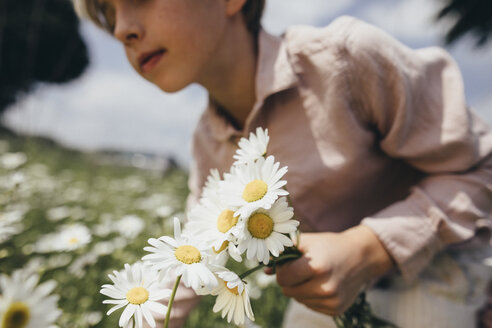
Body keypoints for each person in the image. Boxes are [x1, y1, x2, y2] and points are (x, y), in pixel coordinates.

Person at [74, 0, 492, 327]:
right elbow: (200, 249)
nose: (120, 29)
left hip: (447, 261)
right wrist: (147, 315)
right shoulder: (208, 143)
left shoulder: (344, 60)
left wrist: (368, 247)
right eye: (108, 12)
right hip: (332, 294)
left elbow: (480, 168)